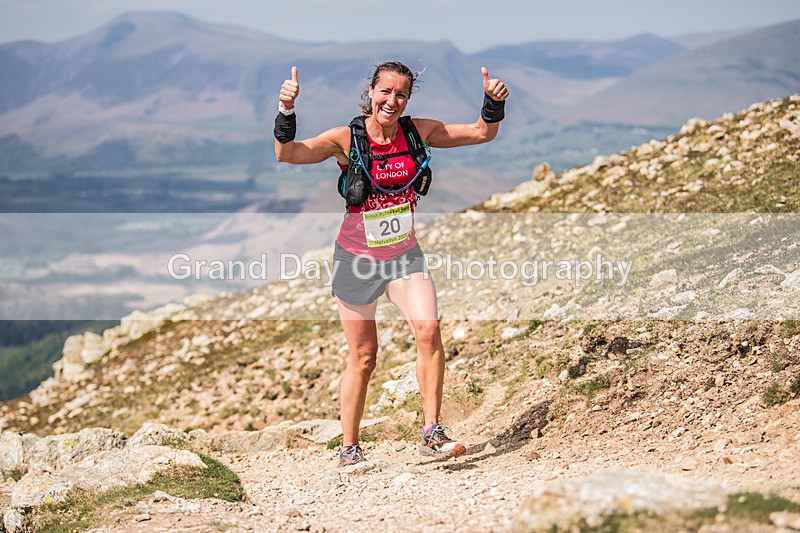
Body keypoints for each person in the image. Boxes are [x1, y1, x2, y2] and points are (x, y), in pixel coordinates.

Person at [274, 60, 508, 466]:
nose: (392, 100)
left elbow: (481, 132)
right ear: (371, 91)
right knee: (365, 357)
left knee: (429, 329)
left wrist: (492, 103)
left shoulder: (418, 132)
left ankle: (431, 431)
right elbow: (288, 154)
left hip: (403, 255)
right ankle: (349, 448)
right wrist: (286, 110)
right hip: (356, 260)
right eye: (385, 92)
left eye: (401, 94)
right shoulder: (346, 138)